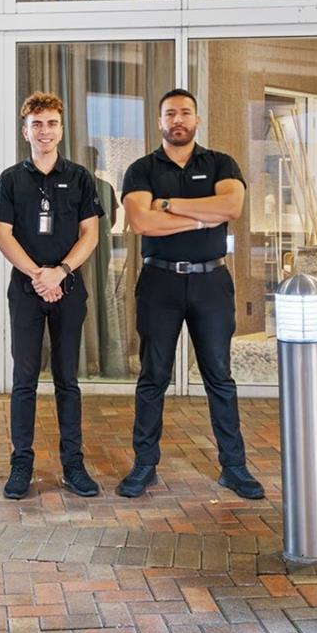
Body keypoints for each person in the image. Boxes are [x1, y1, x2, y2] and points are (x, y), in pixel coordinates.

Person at [116, 88, 263, 501]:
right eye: (169, 114)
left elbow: (232, 209)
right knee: (153, 377)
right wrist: (203, 216)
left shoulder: (221, 162)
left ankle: (234, 467)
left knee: (219, 375)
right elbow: (143, 222)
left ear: (196, 120)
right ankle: (144, 465)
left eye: (185, 113)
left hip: (211, 283)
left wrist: (170, 206)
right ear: (159, 122)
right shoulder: (141, 169)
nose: (177, 120)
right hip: (159, 283)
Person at [0, 92, 103, 500]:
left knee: (68, 380)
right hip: (26, 290)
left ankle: (74, 465)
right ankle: (22, 464)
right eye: (37, 124)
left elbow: (90, 233)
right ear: (25, 132)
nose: (45, 131)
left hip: (69, 288)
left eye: (52, 123)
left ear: (61, 129)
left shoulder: (80, 177)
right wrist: (38, 274)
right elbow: (2, 234)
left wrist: (61, 271)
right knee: (24, 380)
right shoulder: (11, 179)